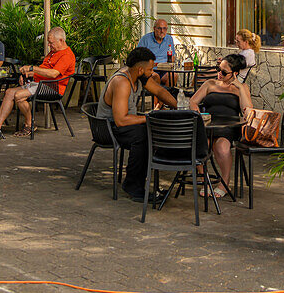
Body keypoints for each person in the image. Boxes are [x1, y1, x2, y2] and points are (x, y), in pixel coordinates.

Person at [96, 46, 177, 202]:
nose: (152, 73)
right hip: (109, 128)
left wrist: (180, 107)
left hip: (125, 124)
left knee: (154, 132)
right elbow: (121, 120)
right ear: (140, 69)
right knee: (144, 136)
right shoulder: (122, 82)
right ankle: (134, 186)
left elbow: (160, 92)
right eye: (150, 70)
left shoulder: (138, 76)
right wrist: (150, 117)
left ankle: (146, 183)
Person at [0, 26, 75, 138]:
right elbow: (43, 71)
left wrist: (32, 69)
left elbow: (53, 74)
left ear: (61, 40)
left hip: (52, 87)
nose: (49, 46)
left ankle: (29, 124)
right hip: (39, 84)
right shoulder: (53, 53)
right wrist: (26, 75)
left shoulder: (67, 55)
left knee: (19, 96)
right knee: (9, 92)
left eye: (51, 43)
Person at [189, 53, 252, 198]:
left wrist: (240, 88)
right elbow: (193, 101)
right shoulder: (210, 84)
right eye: (219, 69)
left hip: (229, 127)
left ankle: (224, 182)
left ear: (235, 73)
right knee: (199, 144)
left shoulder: (241, 88)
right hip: (208, 125)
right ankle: (202, 176)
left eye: (224, 72)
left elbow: (247, 110)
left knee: (222, 147)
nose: (219, 74)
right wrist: (198, 115)